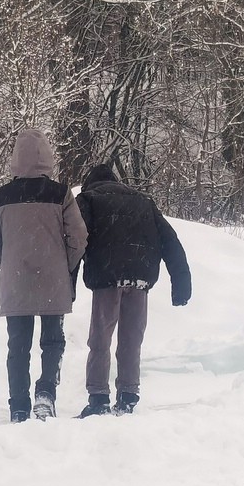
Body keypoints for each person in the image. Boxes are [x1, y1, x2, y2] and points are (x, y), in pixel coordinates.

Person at [0, 128, 88, 423]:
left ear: (15, 158)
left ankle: (18, 406)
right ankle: (45, 395)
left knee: (18, 346)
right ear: (48, 157)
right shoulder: (61, 193)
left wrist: (9, 263)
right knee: (52, 342)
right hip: (54, 280)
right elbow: (79, 236)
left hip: (16, 281)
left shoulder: (0, 196)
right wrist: (64, 265)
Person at [75, 164, 191, 417]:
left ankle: (98, 398)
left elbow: (75, 242)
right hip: (140, 277)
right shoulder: (143, 201)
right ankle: (128, 395)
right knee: (131, 340)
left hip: (107, 277)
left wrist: (67, 285)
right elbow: (170, 241)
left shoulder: (88, 199)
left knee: (100, 340)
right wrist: (181, 283)